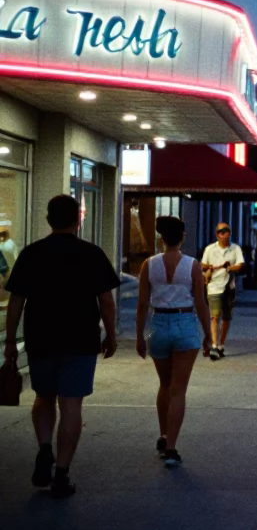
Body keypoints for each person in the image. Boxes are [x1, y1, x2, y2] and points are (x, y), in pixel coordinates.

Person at [3, 195, 120, 498]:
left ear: (48, 219)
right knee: (71, 405)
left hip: (40, 337)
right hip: (80, 340)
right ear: (77, 220)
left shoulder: (31, 254)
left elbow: (16, 301)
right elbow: (106, 301)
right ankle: (61, 474)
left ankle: (44, 448)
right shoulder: (92, 254)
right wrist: (111, 334)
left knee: (43, 397)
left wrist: (10, 340)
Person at [134, 216, 211, 467]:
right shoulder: (192, 265)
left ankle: (164, 433)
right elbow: (201, 303)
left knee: (164, 384)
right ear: (183, 237)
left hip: (158, 324)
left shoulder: (149, 264)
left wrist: (139, 335)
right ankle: (171, 448)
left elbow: (142, 303)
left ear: (161, 239)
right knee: (179, 389)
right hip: (184, 322)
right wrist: (209, 335)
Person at [202, 222, 244, 360]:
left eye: (227, 231)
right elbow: (203, 264)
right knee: (214, 316)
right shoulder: (210, 249)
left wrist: (229, 268)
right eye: (221, 232)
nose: (224, 234)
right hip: (213, 286)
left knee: (226, 318)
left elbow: (240, 265)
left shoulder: (235, 248)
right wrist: (210, 267)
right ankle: (214, 345)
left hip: (229, 287)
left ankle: (221, 345)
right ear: (217, 234)